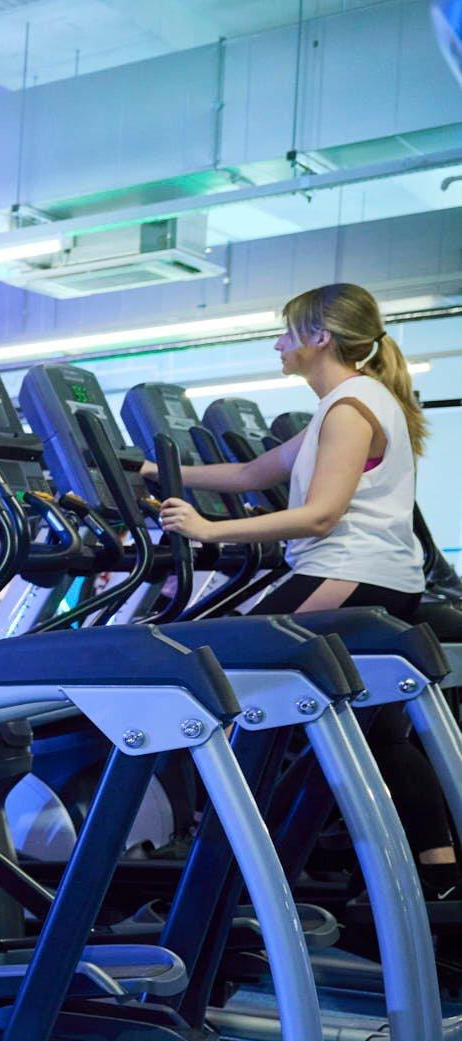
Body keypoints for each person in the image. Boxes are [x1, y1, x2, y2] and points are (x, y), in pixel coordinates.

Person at [154, 281, 453, 872]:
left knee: (204, 665)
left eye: (288, 333)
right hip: (383, 578)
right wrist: (144, 472)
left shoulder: (348, 408)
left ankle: (222, 851)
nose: (278, 345)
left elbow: (320, 516)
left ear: (320, 338)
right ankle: (441, 870)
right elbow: (247, 473)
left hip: (345, 570)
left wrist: (207, 532)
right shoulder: (350, 404)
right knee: (379, 725)